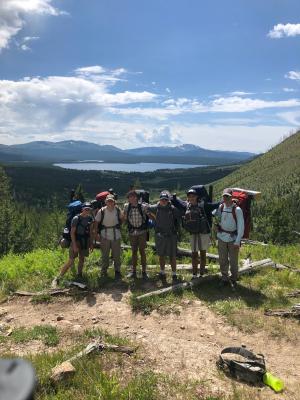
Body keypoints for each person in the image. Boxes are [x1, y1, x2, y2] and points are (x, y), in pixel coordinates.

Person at [52, 202, 94, 286]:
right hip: (76, 241)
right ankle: (58, 277)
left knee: (82, 259)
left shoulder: (90, 218)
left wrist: (91, 243)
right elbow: (72, 233)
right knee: (71, 260)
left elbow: (90, 232)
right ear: (82, 209)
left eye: (89, 209)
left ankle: (79, 275)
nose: (87, 210)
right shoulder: (76, 218)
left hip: (85, 241)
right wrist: (74, 245)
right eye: (86, 209)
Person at [183, 189, 219, 279]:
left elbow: (215, 205)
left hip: (203, 233)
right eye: (189, 196)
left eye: (193, 196)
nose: (191, 198)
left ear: (196, 196)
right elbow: (176, 202)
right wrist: (172, 197)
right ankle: (194, 274)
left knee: (203, 254)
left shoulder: (203, 205)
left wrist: (226, 200)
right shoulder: (187, 206)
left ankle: (201, 274)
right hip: (193, 233)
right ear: (188, 197)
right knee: (194, 254)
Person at [213, 188, 244, 289]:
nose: (226, 198)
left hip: (233, 238)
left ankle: (234, 278)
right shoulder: (221, 207)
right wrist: (216, 226)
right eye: (224, 196)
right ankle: (224, 278)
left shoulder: (237, 210)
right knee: (222, 259)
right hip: (221, 237)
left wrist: (237, 241)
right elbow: (216, 218)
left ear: (231, 197)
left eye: (228, 196)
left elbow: (241, 226)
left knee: (234, 260)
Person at [147, 191, 181, 283]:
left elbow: (179, 216)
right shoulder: (156, 207)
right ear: (160, 199)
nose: (164, 201)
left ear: (168, 200)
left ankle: (174, 274)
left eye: (165, 199)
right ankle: (162, 272)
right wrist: (154, 219)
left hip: (171, 235)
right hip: (160, 235)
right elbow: (147, 209)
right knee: (161, 255)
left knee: (172, 255)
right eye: (162, 199)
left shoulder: (172, 208)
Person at [95, 194, 123, 279]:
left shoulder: (118, 210)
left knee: (117, 255)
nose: (110, 203)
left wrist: (121, 221)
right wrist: (96, 233)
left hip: (116, 235)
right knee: (105, 255)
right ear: (106, 202)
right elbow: (96, 222)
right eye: (108, 201)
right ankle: (104, 271)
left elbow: (122, 219)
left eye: (111, 201)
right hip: (104, 235)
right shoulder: (102, 211)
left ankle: (117, 271)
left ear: (114, 202)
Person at [123, 190, 148, 279]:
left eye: (133, 196)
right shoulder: (126, 206)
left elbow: (150, 214)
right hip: (132, 232)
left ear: (137, 198)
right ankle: (134, 271)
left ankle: (144, 272)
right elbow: (124, 218)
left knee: (142, 252)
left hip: (142, 232)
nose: (131, 198)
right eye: (130, 197)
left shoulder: (143, 206)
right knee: (134, 252)